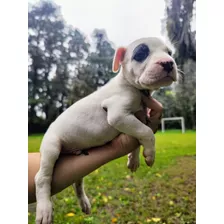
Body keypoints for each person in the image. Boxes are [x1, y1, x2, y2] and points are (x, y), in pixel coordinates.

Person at [28, 96, 163, 204]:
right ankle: (77, 193)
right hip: (66, 137)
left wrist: (131, 149)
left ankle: (80, 192)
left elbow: (132, 123)